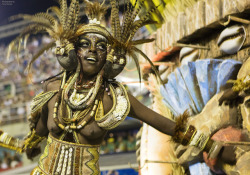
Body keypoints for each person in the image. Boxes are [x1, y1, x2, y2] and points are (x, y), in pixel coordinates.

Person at [0, 0, 238, 174]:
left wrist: (212, 147)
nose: (93, 49)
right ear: (73, 52)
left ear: (110, 57)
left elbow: (168, 126)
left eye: (101, 46)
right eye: (85, 44)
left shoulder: (115, 97)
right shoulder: (52, 89)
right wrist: (12, 142)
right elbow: (35, 138)